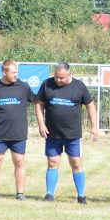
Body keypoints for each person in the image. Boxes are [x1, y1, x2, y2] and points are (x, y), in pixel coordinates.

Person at [34, 62, 99, 203]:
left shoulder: (79, 86)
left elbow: (90, 105)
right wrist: (41, 124)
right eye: (56, 77)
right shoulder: (47, 84)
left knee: (76, 163)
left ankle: (81, 195)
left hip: (72, 135)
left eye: (62, 78)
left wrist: (94, 126)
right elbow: (39, 104)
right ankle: (49, 194)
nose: (58, 80)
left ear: (70, 74)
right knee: (52, 162)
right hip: (52, 134)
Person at [0, 59, 36, 200]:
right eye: (13, 72)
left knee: (19, 161)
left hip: (18, 132)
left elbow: (37, 101)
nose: (16, 75)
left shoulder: (23, 87)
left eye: (17, 72)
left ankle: (20, 193)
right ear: (4, 72)